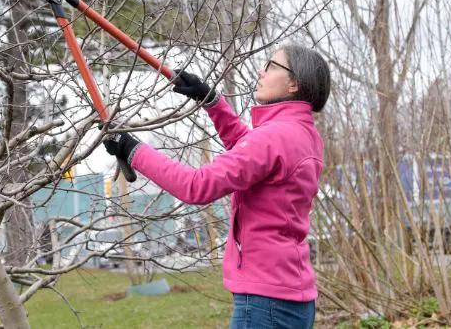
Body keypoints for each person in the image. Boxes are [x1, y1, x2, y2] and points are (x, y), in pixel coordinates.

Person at [104, 45, 331, 329]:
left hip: (266, 302)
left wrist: (132, 149)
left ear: (294, 83)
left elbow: (196, 186)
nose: (261, 72)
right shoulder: (303, 134)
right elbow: (251, 156)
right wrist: (211, 101)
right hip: (291, 295)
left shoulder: (273, 137)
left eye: (272, 66)